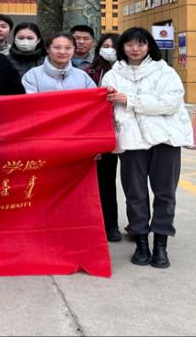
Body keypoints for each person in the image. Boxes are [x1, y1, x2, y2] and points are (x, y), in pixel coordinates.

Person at [101, 27, 192, 269]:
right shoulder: (112, 76)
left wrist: (130, 101)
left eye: (141, 44)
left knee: (165, 194)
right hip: (131, 142)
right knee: (135, 194)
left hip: (166, 140)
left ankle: (161, 244)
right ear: (122, 47)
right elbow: (107, 108)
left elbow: (170, 103)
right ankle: (141, 242)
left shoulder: (165, 72)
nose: (135, 49)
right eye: (130, 44)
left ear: (149, 46)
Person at [85, 32, 122, 242]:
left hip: (125, 131)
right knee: (104, 180)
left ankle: (122, 224)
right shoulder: (89, 72)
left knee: (129, 182)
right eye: (105, 46)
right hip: (100, 132)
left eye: (114, 47)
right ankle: (107, 225)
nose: (109, 50)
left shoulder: (127, 71)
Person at [21, 32, 96, 93]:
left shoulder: (82, 76)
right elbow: (29, 102)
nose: (62, 52)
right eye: (57, 48)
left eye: (68, 48)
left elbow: (93, 99)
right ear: (47, 49)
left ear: (74, 49)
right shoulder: (32, 76)